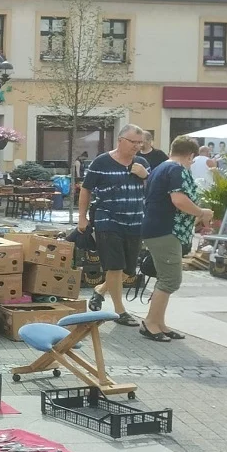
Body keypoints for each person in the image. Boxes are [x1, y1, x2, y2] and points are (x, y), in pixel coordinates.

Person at [139, 137, 214, 342]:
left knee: (166, 277)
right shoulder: (177, 170)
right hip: (166, 230)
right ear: (190, 155)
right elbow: (179, 200)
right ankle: (150, 323)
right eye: (192, 160)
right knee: (170, 279)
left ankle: (159, 323)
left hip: (158, 229)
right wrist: (202, 212)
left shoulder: (161, 167)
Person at [79, 123, 150, 327]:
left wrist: (145, 176)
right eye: (133, 142)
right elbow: (86, 190)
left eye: (140, 143)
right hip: (107, 219)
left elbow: (152, 191)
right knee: (114, 266)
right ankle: (120, 311)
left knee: (128, 270)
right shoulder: (101, 162)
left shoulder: (142, 163)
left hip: (135, 221)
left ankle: (100, 290)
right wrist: (82, 217)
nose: (137, 146)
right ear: (120, 140)